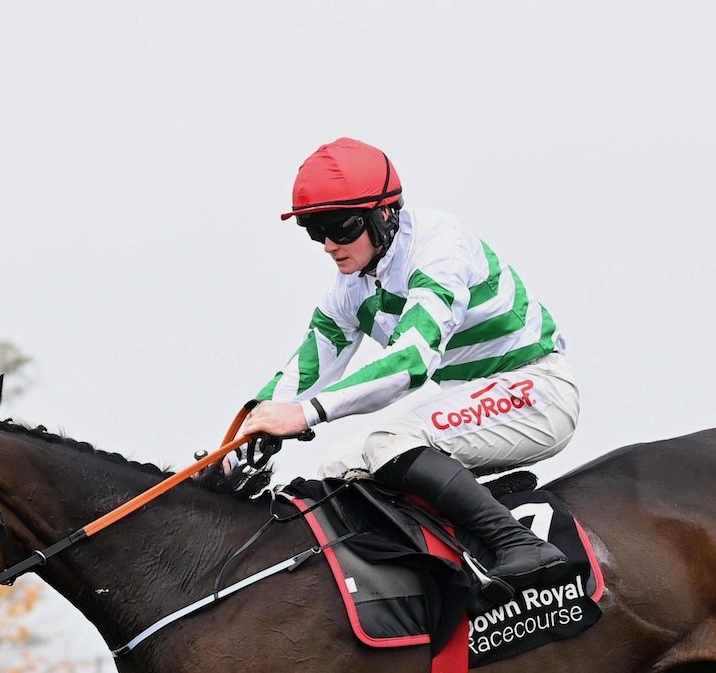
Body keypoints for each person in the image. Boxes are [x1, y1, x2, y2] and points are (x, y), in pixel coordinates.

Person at [235, 137, 577, 591]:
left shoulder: (440, 246)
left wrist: (304, 415)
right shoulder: (349, 288)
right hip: (476, 398)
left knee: (390, 441)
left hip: (537, 389)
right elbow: (304, 373)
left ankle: (520, 544)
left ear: (385, 213)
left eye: (341, 227)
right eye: (315, 232)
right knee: (338, 469)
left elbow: (411, 362)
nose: (329, 246)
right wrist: (242, 439)